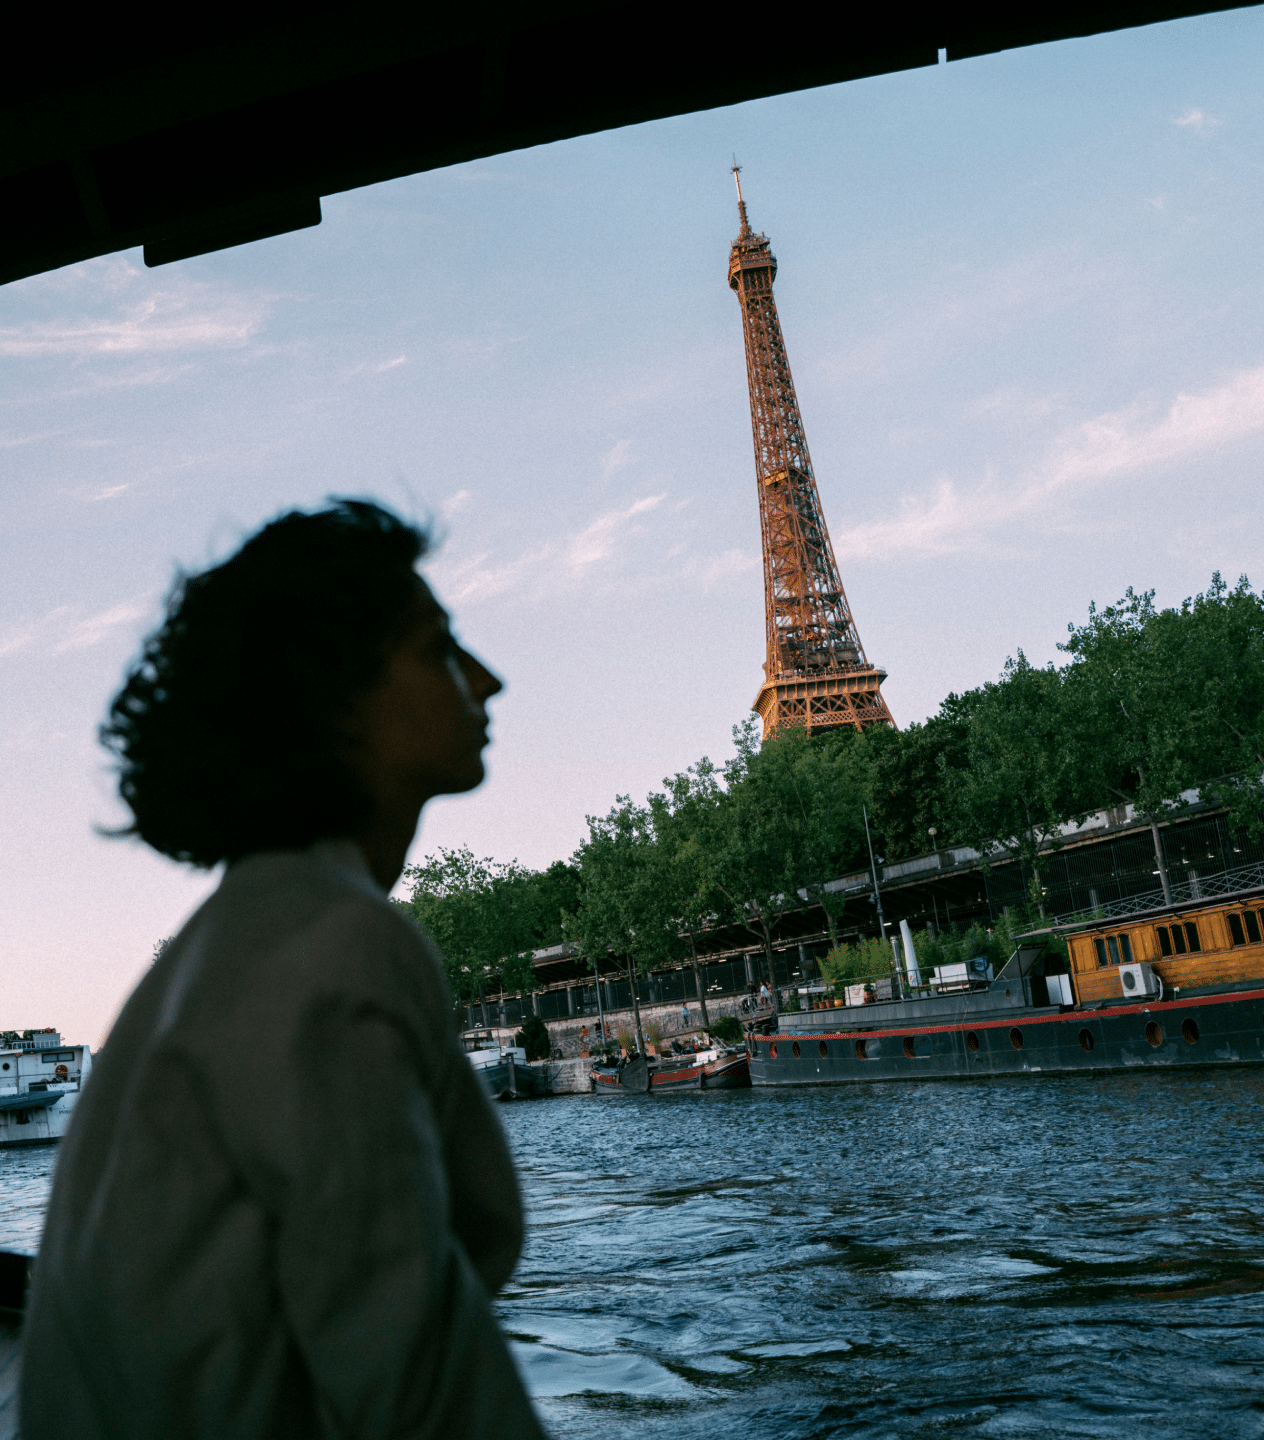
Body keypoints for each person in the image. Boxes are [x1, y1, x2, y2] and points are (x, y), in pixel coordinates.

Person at [21, 501, 546, 1440]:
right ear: (332, 699)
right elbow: (426, 1395)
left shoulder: (223, 954)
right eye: (437, 649)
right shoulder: (337, 945)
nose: (488, 679)